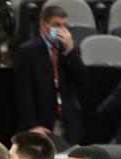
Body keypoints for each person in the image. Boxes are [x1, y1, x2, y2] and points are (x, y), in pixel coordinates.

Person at [14, 4, 86, 148]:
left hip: (68, 122)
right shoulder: (28, 51)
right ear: (43, 25)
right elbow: (23, 92)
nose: (61, 30)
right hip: (42, 123)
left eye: (65, 25)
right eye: (57, 25)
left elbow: (82, 78)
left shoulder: (70, 49)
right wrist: (32, 125)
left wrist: (71, 51)